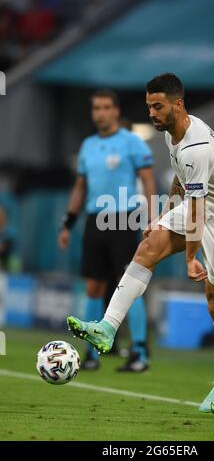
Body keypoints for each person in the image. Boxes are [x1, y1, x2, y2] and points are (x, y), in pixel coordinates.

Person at [67, 73, 214, 413]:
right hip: (204, 207)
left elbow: (198, 210)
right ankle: (107, 328)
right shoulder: (176, 135)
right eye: (149, 107)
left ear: (178, 104)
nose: (152, 114)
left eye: (158, 107)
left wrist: (190, 257)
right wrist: (163, 217)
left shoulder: (196, 147)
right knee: (148, 247)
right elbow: (180, 180)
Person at [59, 89, 155, 372]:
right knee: (93, 287)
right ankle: (92, 353)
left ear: (115, 111)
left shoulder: (132, 143)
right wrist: (68, 223)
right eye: (96, 108)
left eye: (105, 108)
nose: (100, 113)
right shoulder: (88, 145)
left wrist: (153, 219)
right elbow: (80, 187)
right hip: (94, 220)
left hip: (123, 219)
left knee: (129, 286)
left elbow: (148, 182)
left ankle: (139, 352)